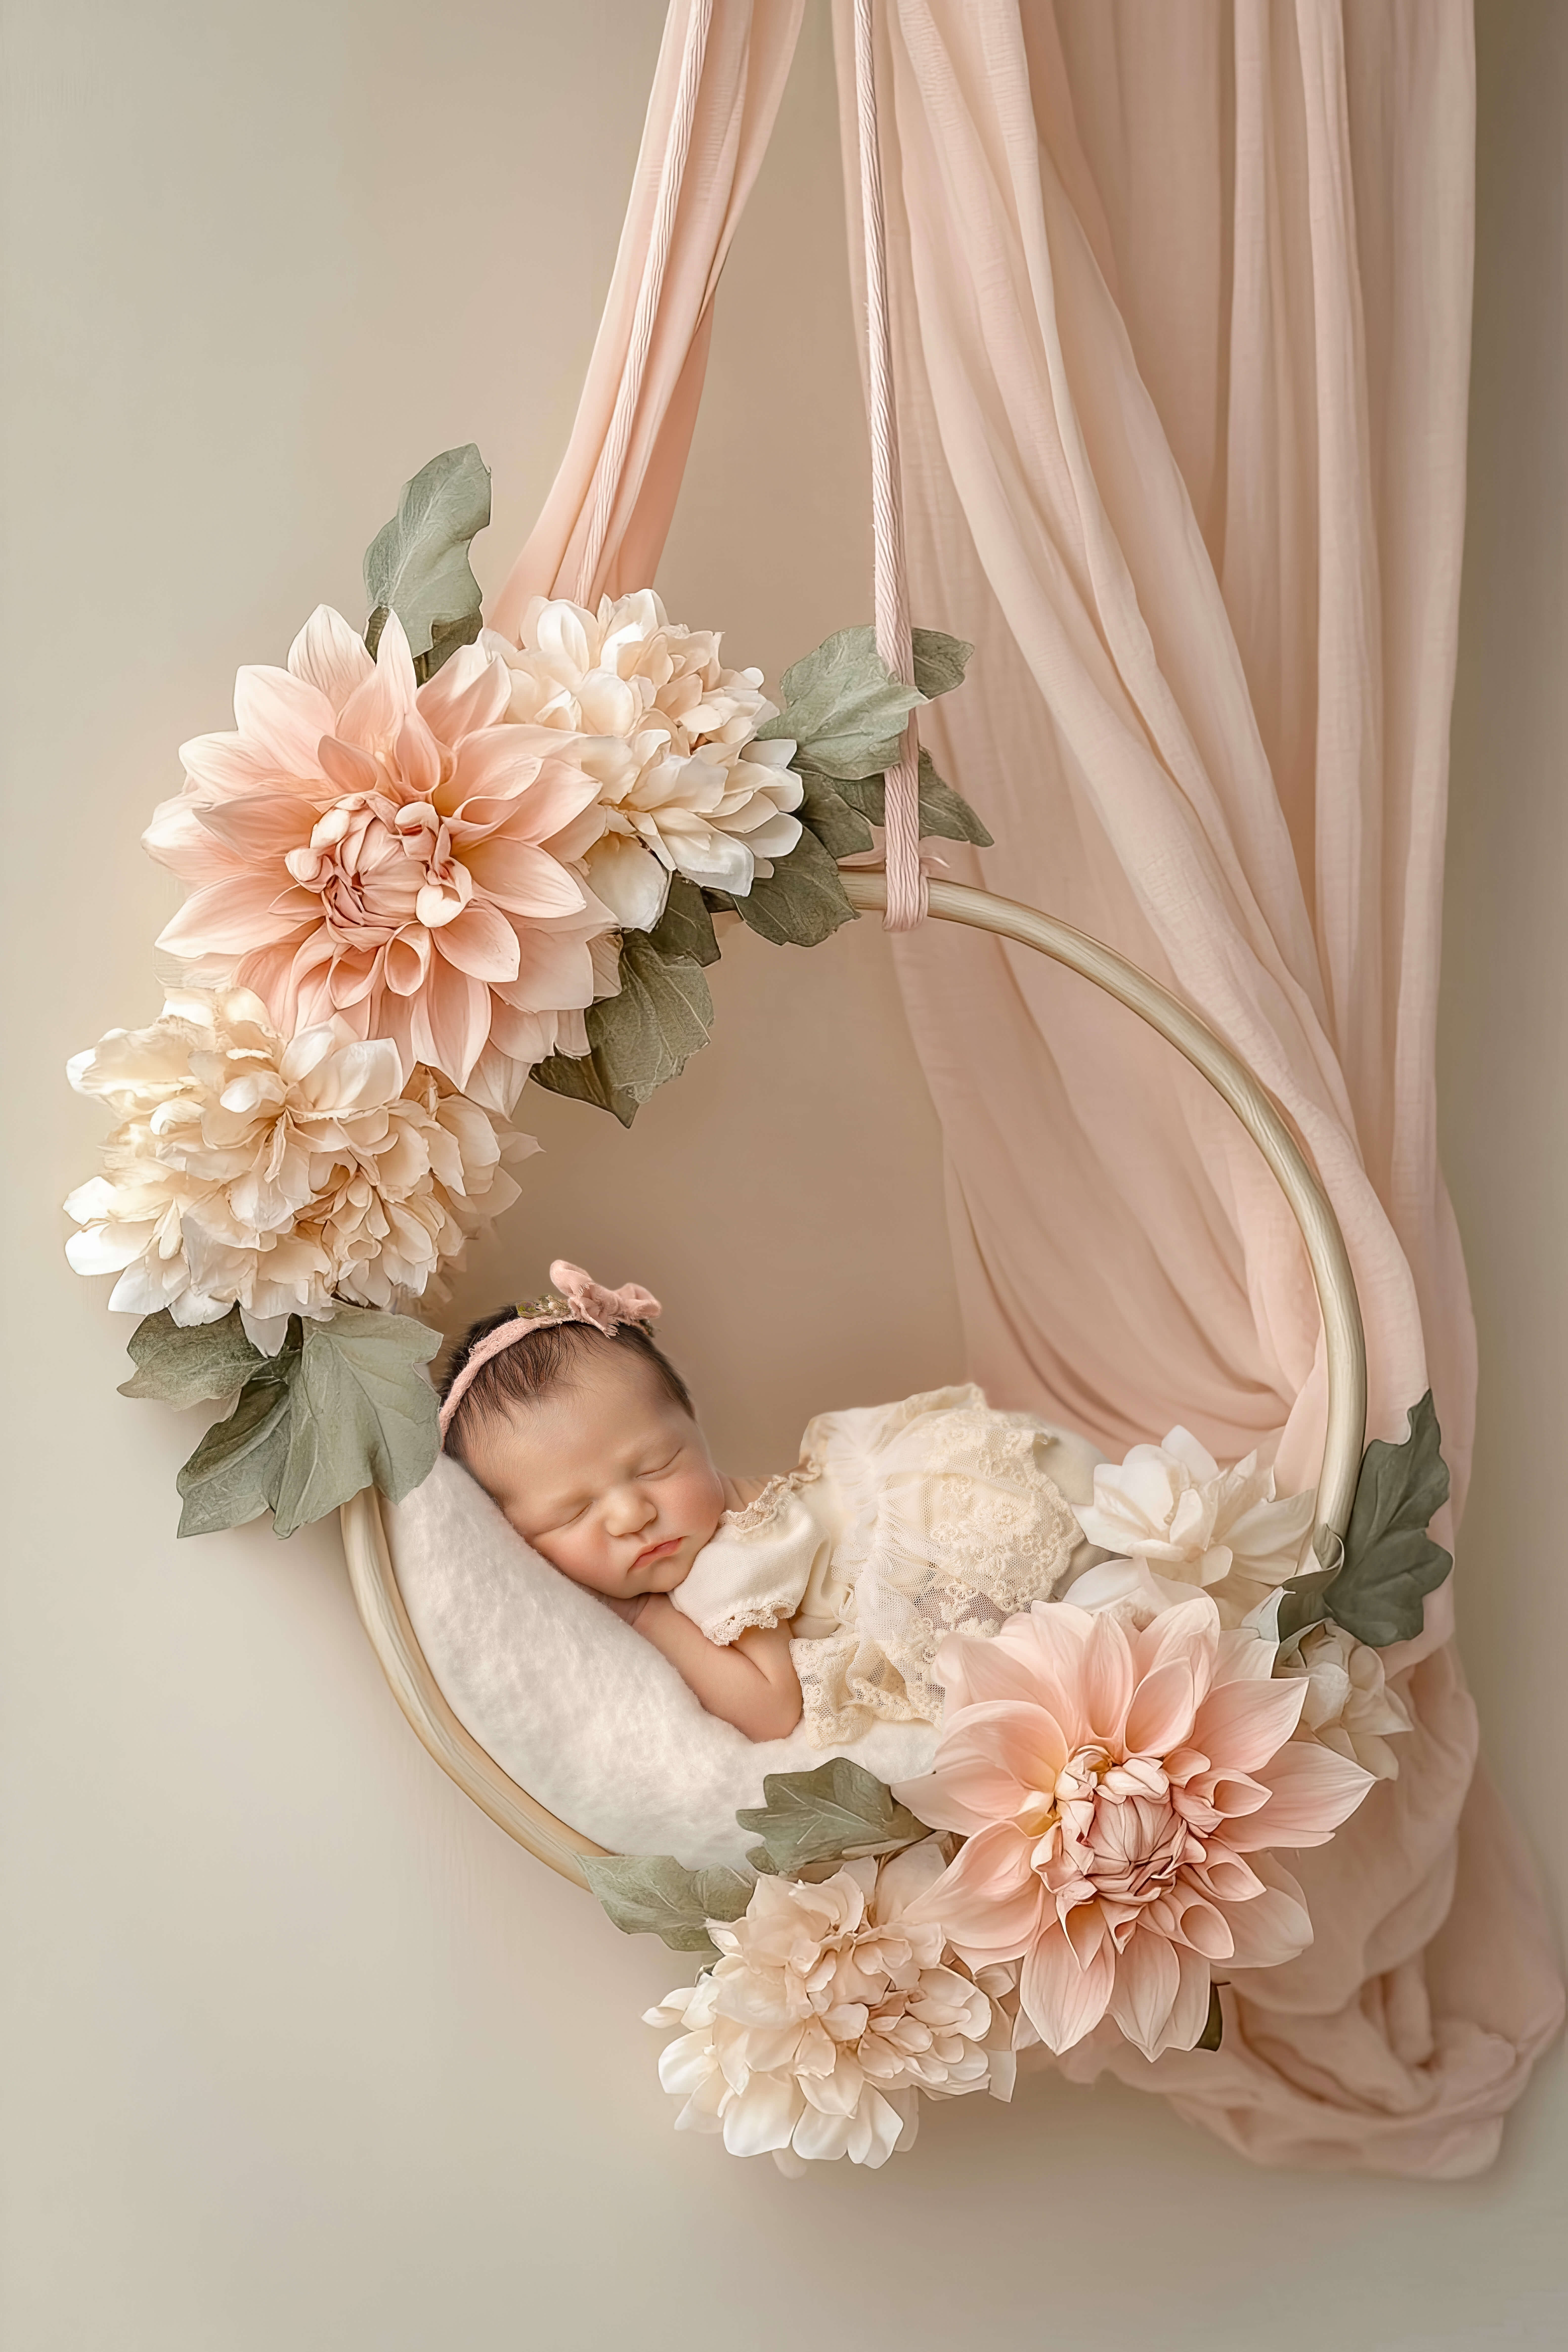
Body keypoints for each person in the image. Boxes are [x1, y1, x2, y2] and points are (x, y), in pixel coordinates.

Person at [438, 1262, 1097, 1745]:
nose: (631, 1515)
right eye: (574, 1513)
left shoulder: (723, 1563)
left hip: (984, 1522)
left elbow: (771, 1708)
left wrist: (643, 1615)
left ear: (694, 1426)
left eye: (656, 1466)